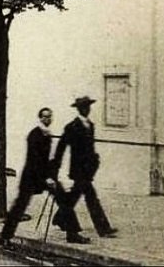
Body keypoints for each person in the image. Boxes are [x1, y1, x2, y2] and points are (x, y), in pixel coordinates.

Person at [0, 108, 85, 246]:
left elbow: (46, 160)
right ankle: (5, 237)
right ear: (40, 118)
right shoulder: (35, 134)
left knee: (64, 200)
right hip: (31, 177)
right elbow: (34, 160)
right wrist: (47, 179)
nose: (47, 119)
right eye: (45, 117)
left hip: (44, 175)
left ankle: (72, 233)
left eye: (50, 117)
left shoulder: (46, 134)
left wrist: (53, 175)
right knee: (20, 207)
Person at [53, 96, 118, 239]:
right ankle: (103, 229)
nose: (86, 109)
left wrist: (95, 160)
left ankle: (59, 218)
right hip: (78, 170)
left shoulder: (90, 125)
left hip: (88, 169)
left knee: (73, 197)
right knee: (91, 198)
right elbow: (61, 147)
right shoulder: (72, 127)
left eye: (88, 107)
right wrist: (54, 167)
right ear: (78, 109)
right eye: (83, 107)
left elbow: (90, 148)